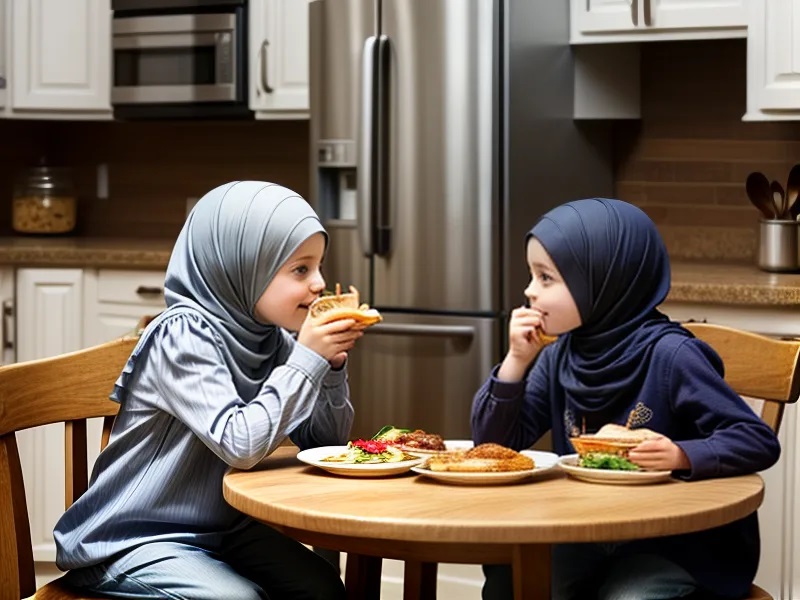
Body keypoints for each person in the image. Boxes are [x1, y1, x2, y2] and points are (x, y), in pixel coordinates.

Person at [54, 181, 363, 600]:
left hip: (223, 527)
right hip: (131, 539)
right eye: (300, 269)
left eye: (319, 267)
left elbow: (327, 440)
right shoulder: (182, 334)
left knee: (321, 587)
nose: (319, 284)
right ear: (241, 266)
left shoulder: (270, 338)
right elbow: (240, 444)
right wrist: (307, 359)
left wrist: (330, 366)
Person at [471, 198, 780, 600]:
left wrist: (681, 455)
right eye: (532, 275)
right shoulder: (559, 355)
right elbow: (491, 448)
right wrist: (515, 361)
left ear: (602, 281)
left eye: (546, 278)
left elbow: (756, 439)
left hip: (677, 541)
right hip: (589, 528)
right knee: (509, 582)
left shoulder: (672, 355)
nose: (529, 291)